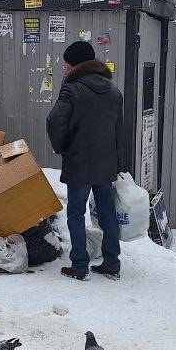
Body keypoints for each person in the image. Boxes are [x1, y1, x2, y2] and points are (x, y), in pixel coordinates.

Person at [46, 41, 123, 281]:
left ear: (76, 65)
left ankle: (80, 264)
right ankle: (112, 262)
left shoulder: (71, 89)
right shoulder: (113, 91)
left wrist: (62, 146)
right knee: (107, 212)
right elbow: (119, 129)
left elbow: (54, 120)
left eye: (66, 65)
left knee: (76, 212)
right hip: (106, 161)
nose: (64, 69)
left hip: (79, 161)